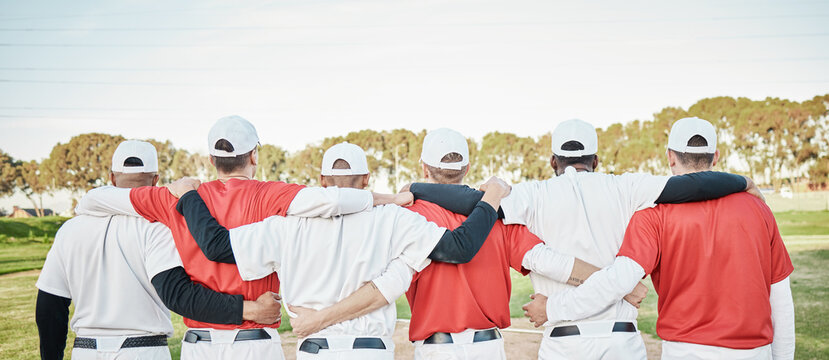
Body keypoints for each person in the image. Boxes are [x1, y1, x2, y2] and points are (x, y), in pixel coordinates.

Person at [406, 119, 758, 359]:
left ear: (552, 161)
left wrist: (415, 190)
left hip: (564, 341)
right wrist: (742, 181)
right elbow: (692, 185)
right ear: (597, 159)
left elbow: (474, 202)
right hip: (622, 340)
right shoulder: (625, 185)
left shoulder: (534, 193)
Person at [73, 117, 408, 360]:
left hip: (198, 345)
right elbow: (334, 200)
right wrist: (391, 199)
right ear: (254, 156)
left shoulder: (173, 197)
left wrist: (171, 191)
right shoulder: (274, 195)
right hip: (254, 342)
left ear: (210, 159)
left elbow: (92, 199)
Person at [170, 141, 513, 359]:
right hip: (371, 351)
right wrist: (491, 197)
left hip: (314, 348)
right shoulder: (392, 218)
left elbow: (218, 247)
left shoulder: (286, 224)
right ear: (366, 181)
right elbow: (458, 247)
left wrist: (189, 198)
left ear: (321, 182)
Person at [537, 117, 796, 360]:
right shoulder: (758, 208)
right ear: (715, 157)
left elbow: (615, 282)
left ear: (670, 157)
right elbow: (781, 299)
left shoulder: (654, 213)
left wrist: (554, 308)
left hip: (684, 352)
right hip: (753, 352)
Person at [399, 128, 648, 359]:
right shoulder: (497, 217)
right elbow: (553, 263)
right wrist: (620, 286)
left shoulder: (406, 217)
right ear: (467, 168)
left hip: (435, 350)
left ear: (424, 169)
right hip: (488, 348)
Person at [35, 140, 281, 360]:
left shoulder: (69, 230)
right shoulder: (159, 227)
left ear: (112, 179)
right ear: (156, 180)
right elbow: (179, 295)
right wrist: (250, 309)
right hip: (144, 350)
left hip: (85, 350)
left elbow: (49, 307)